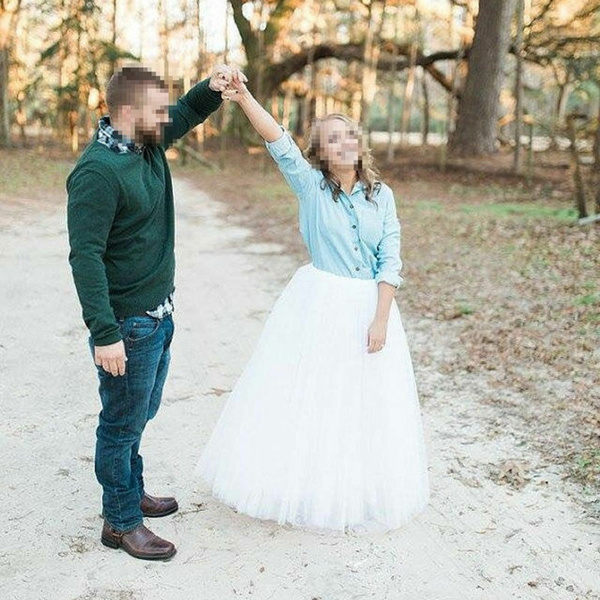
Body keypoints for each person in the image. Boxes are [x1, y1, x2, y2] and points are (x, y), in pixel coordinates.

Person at [197, 72, 430, 532]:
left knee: (367, 402)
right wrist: (243, 96)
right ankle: (310, 488)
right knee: (319, 398)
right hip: (321, 302)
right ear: (320, 152)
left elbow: (391, 258)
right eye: (332, 139)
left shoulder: (382, 196)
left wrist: (380, 319)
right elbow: (277, 139)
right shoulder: (310, 186)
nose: (344, 144)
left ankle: (358, 490)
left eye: (349, 136)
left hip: (370, 307)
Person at [67, 64, 237, 560]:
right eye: (155, 111)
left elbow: (185, 113)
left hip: (158, 315)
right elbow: (86, 258)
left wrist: (212, 88)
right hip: (126, 324)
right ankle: (120, 522)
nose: (164, 119)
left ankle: (129, 488)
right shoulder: (97, 173)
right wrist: (104, 334)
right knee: (120, 422)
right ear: (125, 112)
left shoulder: (145, 142)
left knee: (141, 413)